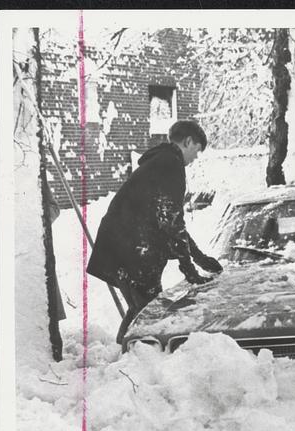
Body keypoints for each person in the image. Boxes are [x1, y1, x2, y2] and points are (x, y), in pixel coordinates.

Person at [87, 120, 223, 344]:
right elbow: (171, 221)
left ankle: (126, 357)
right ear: (188, 141)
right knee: (148, 315)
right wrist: (189, 267)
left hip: (126, 250)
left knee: (143, 311)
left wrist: (199, 259)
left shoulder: (160, 161)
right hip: (132, 253)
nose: (195, 158)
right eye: (196, 150)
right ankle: (129, 361)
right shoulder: (170, 164)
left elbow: (170, 220)